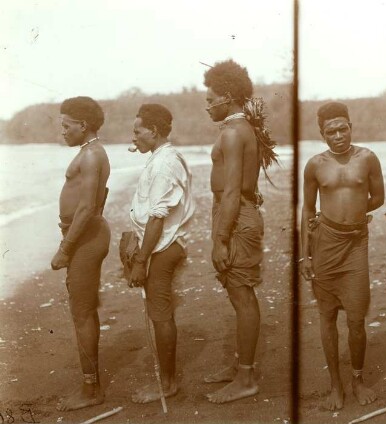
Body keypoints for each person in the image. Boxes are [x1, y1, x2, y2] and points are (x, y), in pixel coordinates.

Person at [301, 101, 384, 411]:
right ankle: (336, 384)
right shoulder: (315, 165)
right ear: (322, 134)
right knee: (326, 316)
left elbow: (378, 197)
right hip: (325, 243)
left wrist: (355, 215)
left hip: (355, 245)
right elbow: (308, 210)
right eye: (331, 131)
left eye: (342, 128)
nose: (338, 135)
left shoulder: (368, 158)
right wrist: (305, 255)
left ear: (351, 127)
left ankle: (358, 380)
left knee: (357, 319)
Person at [203, 59, 277, 404]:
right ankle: (240, 366)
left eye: (211, 97)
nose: (207, 104)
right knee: (238, 292)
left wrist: (220, 238)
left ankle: (246, 377)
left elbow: (233, 190)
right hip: (234, 213)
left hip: (236, 215)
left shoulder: (233, 132)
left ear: (227, 96)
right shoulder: (240, 128)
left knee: (242, 295)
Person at [128, 103, 195, 403]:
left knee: (160, 314)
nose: (134, 138)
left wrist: (141, 260)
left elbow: (157, 216)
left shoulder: (164, 163)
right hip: (160, 244)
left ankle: (167, 384)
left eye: (137, 132)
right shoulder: (161, 158)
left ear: (153, 132)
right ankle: (166, 380)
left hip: (162, 248)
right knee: (160, 312)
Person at [51, 96, 111, 411]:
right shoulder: (91, 153)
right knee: (84, 308)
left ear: (82, 125)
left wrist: (65, 249)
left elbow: (88, 207)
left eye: (66, 125)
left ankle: (91, 389)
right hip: (85, 236)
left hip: (85, 238)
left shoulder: (91, 156)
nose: (62, 131)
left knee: (82, 311)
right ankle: (91, 383)